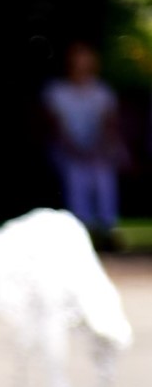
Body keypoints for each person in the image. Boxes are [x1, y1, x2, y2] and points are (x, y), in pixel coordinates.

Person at [43, 41, 127, 240]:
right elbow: (56, 128)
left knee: (103, 170)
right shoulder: (56, 91)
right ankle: (83, 226)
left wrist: (97, 149)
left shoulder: (102, 91)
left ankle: (108, 226)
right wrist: (77, 150)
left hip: (97, 150)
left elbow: (109, 126)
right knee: (76, 171)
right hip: (66, 150)